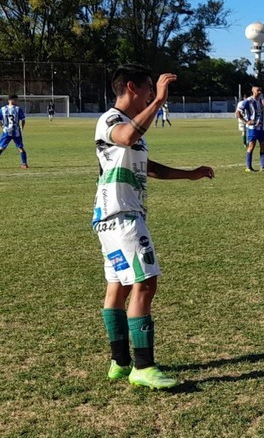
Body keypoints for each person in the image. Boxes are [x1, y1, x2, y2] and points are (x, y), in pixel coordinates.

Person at [92, 63, 214, 389]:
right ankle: (143, 367)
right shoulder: (111, 120)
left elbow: (146, 166)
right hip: (122, 216)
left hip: (112, 218)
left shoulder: (127, 124)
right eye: (148, 87)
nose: (151, 93)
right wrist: (158, 101)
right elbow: (127, 136)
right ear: (132, 88)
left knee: (118, 287)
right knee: (145, 284)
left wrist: (190, 174)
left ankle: (120, 362)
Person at [237, 85, 264, 172]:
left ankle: (263, 167)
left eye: (260, 90)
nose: (259, 92)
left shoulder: (262, 101)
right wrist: (246, 122)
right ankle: (248, 167)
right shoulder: (248, 101)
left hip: (262, 128)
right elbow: (238, 112)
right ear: (253, 91)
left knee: (263, 146)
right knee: (251, 145)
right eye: (257, 90)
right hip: (252, 128)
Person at [0, 95, 28, 169]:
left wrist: (2, 126)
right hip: (16, 131)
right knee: (20, 147)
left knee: (1, 147)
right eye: (16, 99)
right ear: (12, 100)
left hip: (6, 131)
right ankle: (24, 164)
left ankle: (24, 164)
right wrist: (22, 127)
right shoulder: (18, 109)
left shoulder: (2, 109)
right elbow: (23, 119)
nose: (17, 101)